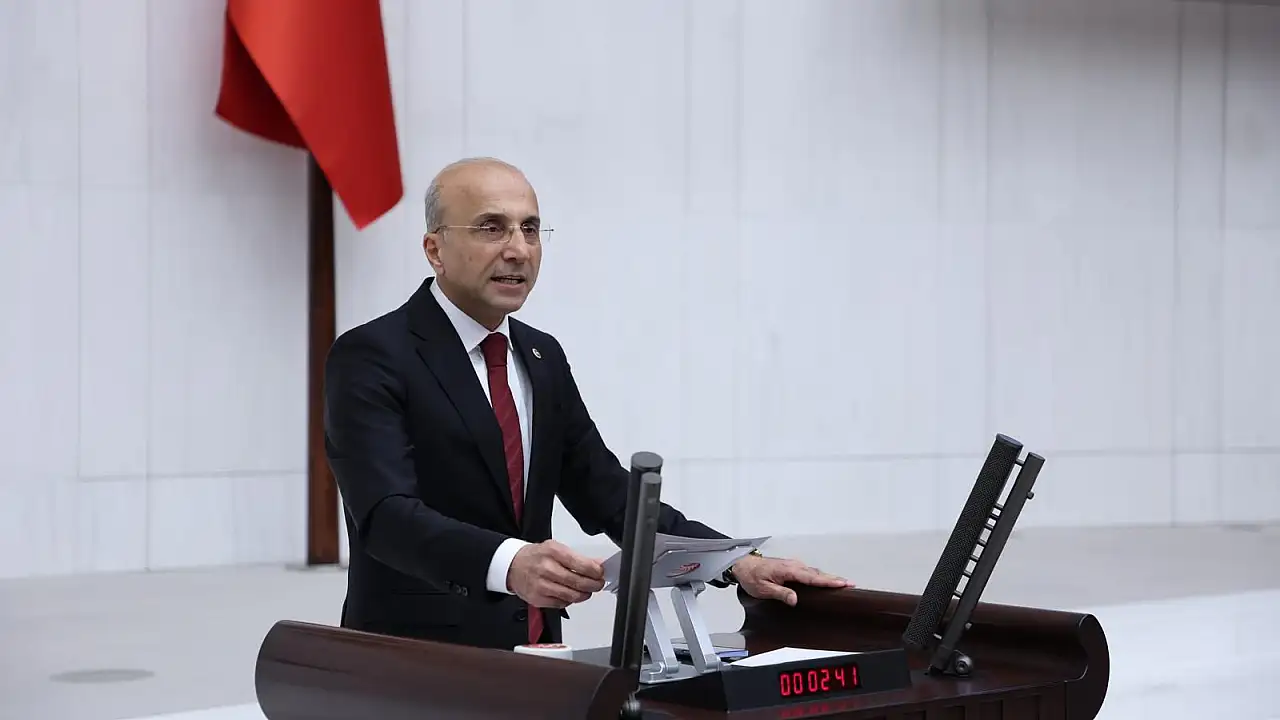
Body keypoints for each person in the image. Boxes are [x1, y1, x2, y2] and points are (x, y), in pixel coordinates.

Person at [324, 157, 848, 651]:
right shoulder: (372, 355)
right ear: (434, 249)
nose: (518, 249)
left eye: (530, 229)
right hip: (415, 662)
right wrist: (510, 564)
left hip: (538, 656)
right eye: (491, 228)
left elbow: (607, 495)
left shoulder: (540, 356)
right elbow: (386, 517)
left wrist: (735, 563)